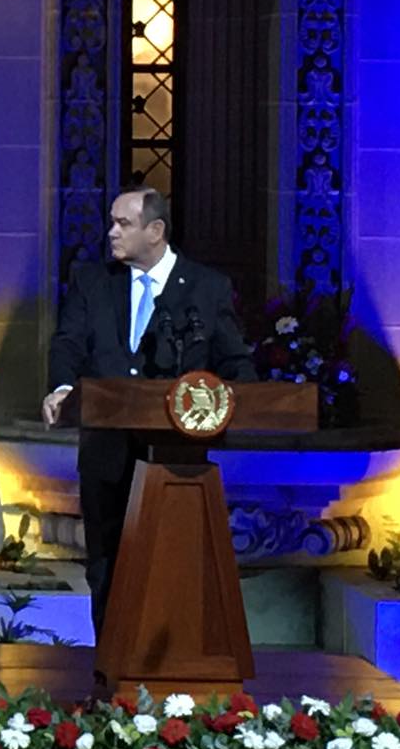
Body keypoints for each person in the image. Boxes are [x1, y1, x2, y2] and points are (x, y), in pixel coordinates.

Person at [42, 185, 252, 638]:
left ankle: (170, 664)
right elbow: (69, 343)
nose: (111, 232)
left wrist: (243, 397)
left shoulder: (206, 289)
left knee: (173, 567)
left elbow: (236, 362)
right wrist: (62, 388)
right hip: (106, 453)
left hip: (177, 459)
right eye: (112, 222)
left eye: (124, 224)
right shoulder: (93, 282)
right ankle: (108, 667)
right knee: (106, 564)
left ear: (156, 231)